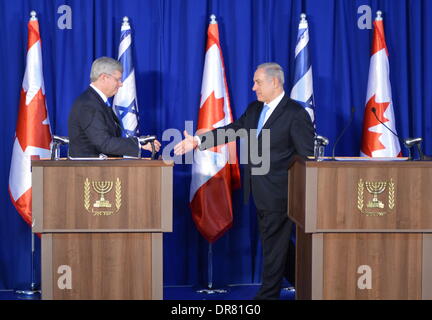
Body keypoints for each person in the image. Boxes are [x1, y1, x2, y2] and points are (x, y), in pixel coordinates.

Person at [174, 62, 314, 299]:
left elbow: (307, 156)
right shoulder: (254, 109)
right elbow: (233, 130)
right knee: (278, 243)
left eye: (258, 82)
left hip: (282, 192)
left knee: (273, 246)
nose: (253, 87)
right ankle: (307, 282)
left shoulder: (295, 114)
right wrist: (198, 141)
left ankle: (266, 296)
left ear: (275, 82)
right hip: (258, 191)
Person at [68, 57, 160, 157]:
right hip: (90, 170)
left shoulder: (96, 101)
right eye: (117, 79)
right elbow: (104, 143)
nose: (121, 84)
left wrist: (140, 141)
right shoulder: (89, 104)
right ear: (104, 77)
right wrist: (138, 144)